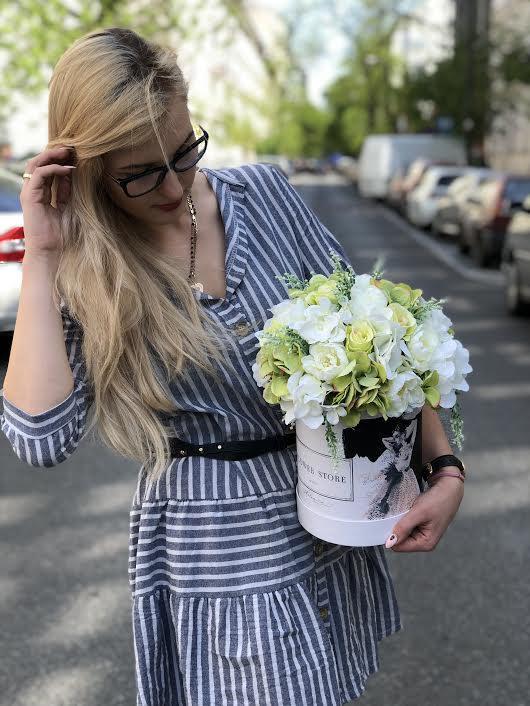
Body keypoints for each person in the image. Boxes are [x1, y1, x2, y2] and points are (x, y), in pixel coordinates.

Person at [0, 27, 465, 706]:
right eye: (140, 173)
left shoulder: (265, 196)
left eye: (184, 153)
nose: (173, 186)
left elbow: (386, 340)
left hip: (326, 500)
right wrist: (43, 253)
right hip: (216, 538)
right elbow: (39, 438)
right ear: (89, 166)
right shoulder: (87, 267)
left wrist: (445, 469)